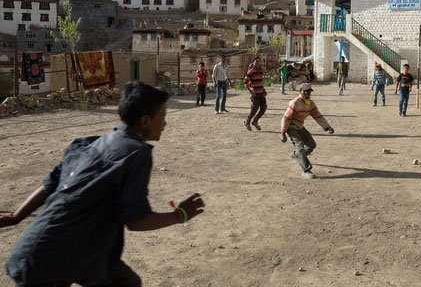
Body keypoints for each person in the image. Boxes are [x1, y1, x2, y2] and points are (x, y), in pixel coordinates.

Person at [1, 81, 205, 287]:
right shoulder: (136, 153)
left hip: (72, 250)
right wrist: (180, 215)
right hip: (51, 259)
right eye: (163, 116)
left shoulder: (89, 143)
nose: (165, 124)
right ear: (145, 121)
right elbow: (136, 222)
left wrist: (17, 216)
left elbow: (50, 185)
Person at [280, 83, 334, 179]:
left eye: (309, 91)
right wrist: (283, 133)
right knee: (300, 146)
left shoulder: (310, 103)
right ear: (300, 91)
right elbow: (286, 118)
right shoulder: (295, 103)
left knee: (311, 145)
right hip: (291, 127)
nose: (307, 93)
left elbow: (317, 115)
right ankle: (306, 170)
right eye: (305, 91)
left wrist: (327, 127)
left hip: (300, 127)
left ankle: (296, 155)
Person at [243, 56, 267, 131]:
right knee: (254, 110)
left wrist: (263, 90)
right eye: (256, 61)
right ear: (253, 62)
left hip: (261, 94)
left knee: (263, 108)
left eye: (259, 61)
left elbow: (260, 82)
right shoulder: (251, 71)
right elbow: (245, 82)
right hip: (255, 95)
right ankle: (247, 122)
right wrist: (250, 91)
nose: (258, 63)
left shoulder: (260, 71)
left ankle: (255, 121)